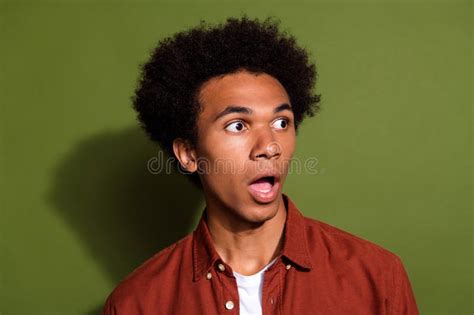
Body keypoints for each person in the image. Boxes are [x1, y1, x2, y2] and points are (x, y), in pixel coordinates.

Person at [102, 15, 419, 314]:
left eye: (282, 122)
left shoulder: (377, 278)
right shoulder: (137, 303)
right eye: (238, 125)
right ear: (188, 154)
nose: (269, 146)